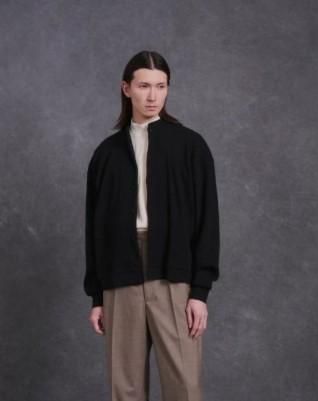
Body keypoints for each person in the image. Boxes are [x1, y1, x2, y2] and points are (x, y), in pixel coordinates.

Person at [83, 50, 220, 401]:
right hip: (119, 276)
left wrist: (199, 292)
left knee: (184, 386)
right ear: (126, 88)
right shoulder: (106, 154)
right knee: (125, 387)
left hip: (173, 273)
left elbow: (207, 221)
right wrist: (97, 296)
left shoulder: (190, 146)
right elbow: (94, 230)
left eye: (161, 86)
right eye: (144, 86)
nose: (153, 96)